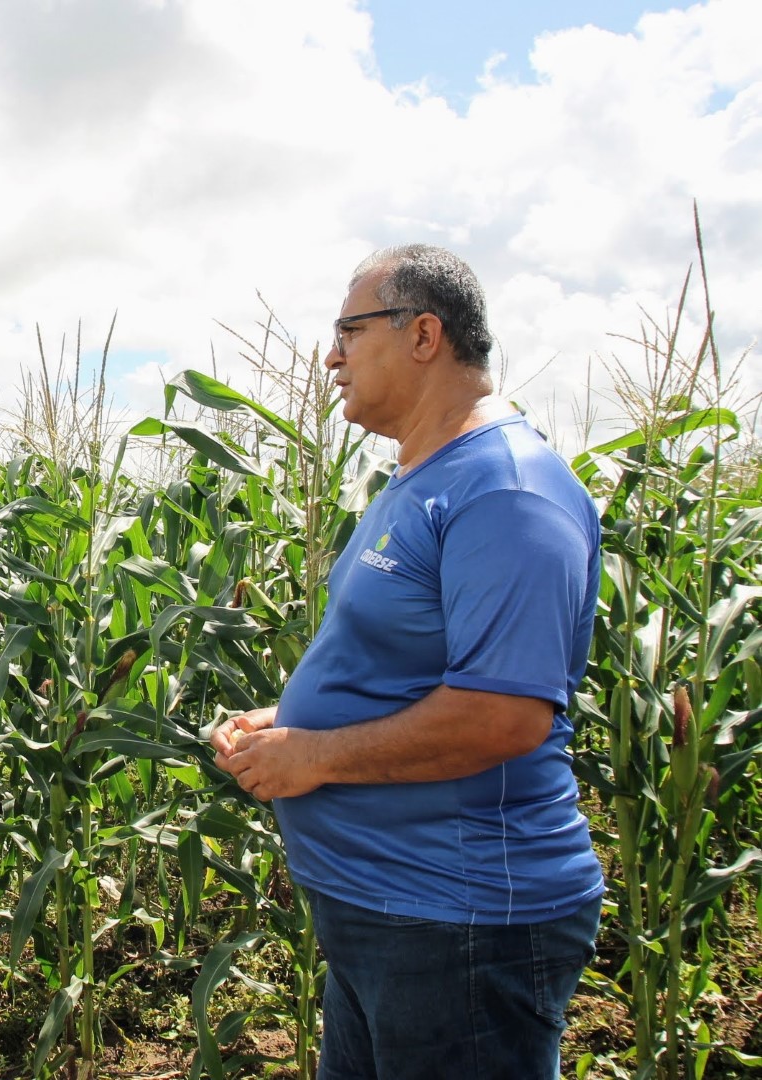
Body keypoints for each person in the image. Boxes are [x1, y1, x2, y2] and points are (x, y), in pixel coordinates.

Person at [210, 245, 604, 1079]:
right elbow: (412, 672)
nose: (330, 357)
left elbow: (504, 714)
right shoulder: (417, 484)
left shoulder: (505, 491)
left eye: (348, 330)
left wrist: (313, 755)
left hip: (460, 925)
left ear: (423, 334)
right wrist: (290, 724)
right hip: (387, 918)